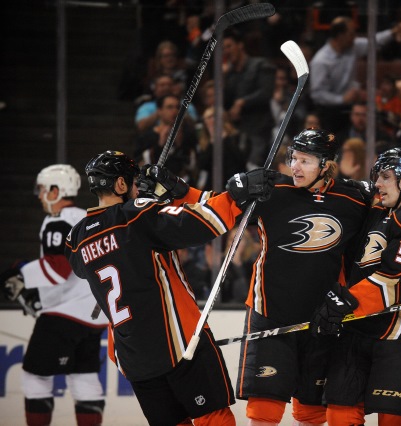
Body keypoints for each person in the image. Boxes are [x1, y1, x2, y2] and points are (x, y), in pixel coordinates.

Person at [64, 150, 277, 425]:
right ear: (119, 185)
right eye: (132, 183)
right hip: (179, 345)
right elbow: (199, 224)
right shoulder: (137, 216)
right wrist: (235, 196)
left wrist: (151, 204)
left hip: (133, 357)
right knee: (215, 420)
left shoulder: (76, 238)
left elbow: (102, 255)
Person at [235, 129, 370, 426]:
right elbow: (216, 208)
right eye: (293, 158)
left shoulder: (354, 201)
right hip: (270, 314)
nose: (295, 166)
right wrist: (232, 188)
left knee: (311, 412)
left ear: (326, 165)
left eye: (305, 160)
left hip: (320, 320)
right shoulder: (271, 192)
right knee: (264, 410)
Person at [313, 147, 401, 425]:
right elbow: (347, 190)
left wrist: (343, 305)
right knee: (339, 412)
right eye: (376, 176)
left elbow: (395, 279)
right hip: (356, 328)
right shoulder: (378, 208)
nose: (377, 184)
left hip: (400, 333)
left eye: (384, 176)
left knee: (391, 420)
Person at [1, 164, 109, 426]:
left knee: (35, 377)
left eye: (42, 189)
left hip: (65, 314)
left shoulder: (58, 220)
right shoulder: (86, 217)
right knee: (83, 378)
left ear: (56, 191)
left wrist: (19, 275)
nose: (39, 195)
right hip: (94, 315)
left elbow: (59, 268)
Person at [222, 29, 276, 170]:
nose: (226, 51)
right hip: (238, 130)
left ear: (240, 45)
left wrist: (242, 102)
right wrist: (223, 80)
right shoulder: (229, 74)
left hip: (259, 129)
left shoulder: (260, 65)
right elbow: (226, 103)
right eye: (223, 48)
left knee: (253, 169)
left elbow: (266, 93)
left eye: (229, 46)